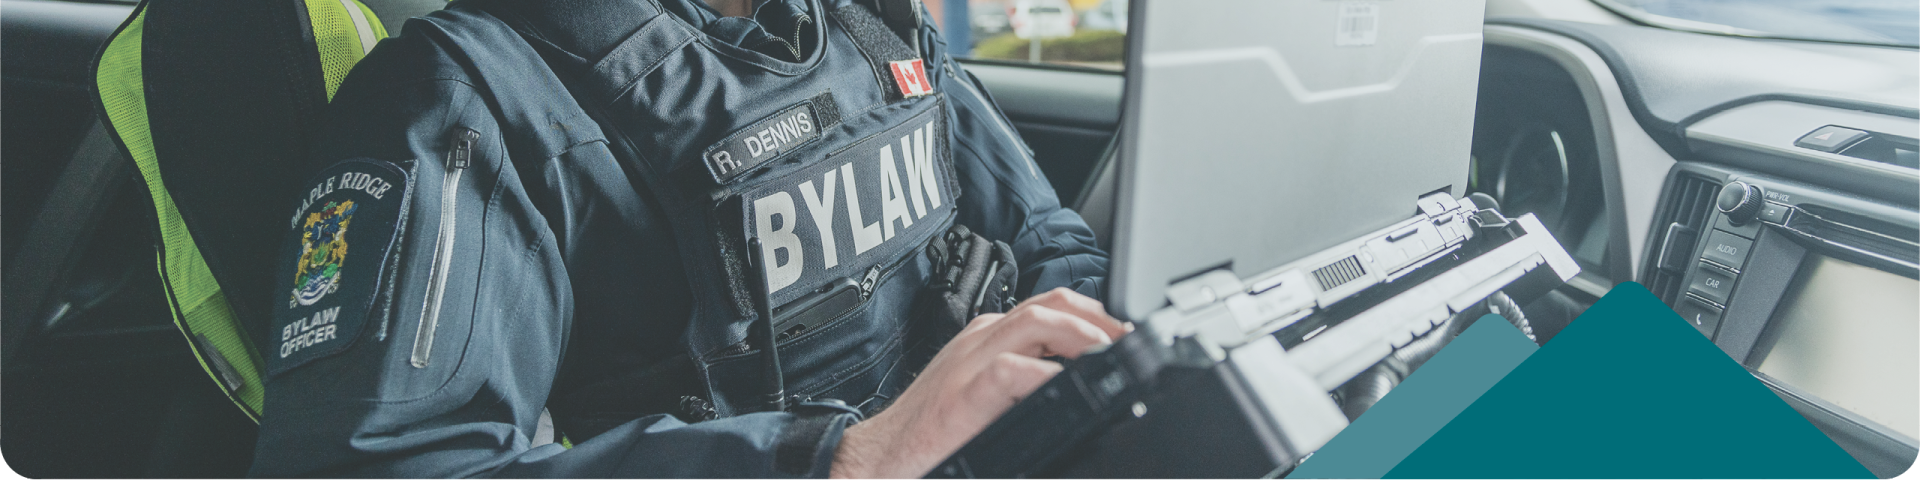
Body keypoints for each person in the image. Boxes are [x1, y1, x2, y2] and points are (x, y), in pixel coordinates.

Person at [250, 0, 1120, 477]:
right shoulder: (467, 92)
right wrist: (845, 461)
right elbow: (382, 465)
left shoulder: (871, 18)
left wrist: (1096, 362)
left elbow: (1048, 240)